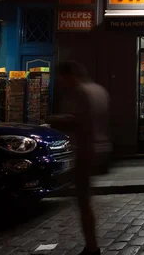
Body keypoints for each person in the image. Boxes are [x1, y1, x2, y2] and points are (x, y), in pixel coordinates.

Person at [52, 61, 111, 255]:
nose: (62, 82)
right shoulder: (99, 90)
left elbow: (78, 120)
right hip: (102, 148)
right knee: (84, 199)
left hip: (85, 150)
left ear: (70, 75)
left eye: (63, 78)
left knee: (83, 201)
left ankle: (92, 246)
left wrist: (52, 120)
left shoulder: (79, 92)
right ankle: (91, 243)